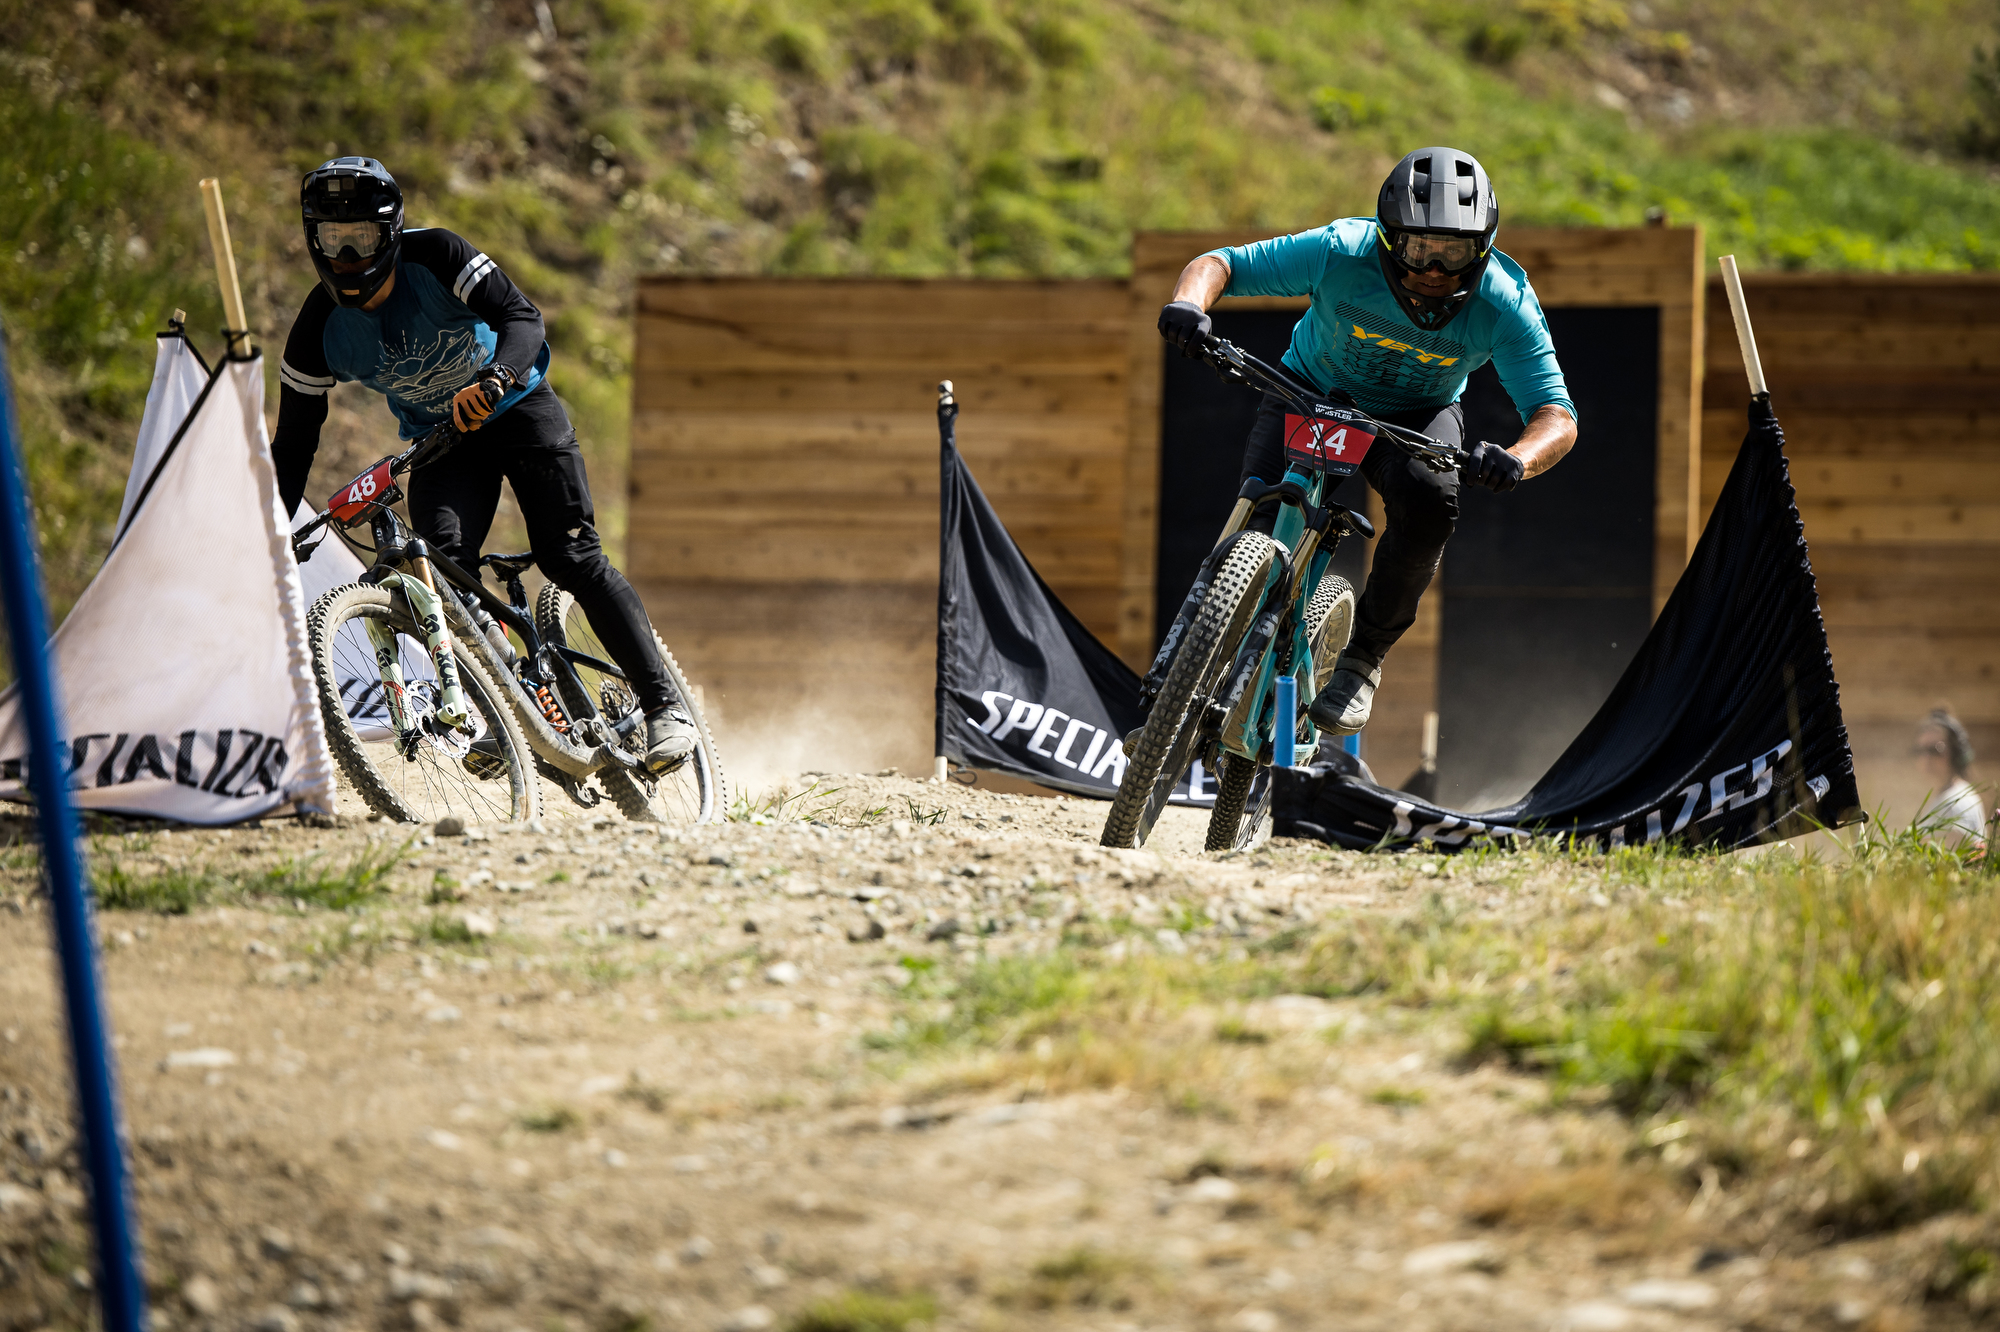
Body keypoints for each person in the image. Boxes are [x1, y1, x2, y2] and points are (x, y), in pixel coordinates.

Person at [272, 157, 696, 773]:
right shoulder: (316, 330)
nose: (345, 255)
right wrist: (271, 536)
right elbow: (293, 445)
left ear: (388, 232)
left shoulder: (439, 255)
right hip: (446, 441)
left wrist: (495, 379)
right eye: (330, 239)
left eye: (359, 237)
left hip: (519, 408)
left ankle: (664, 708)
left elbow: (522, 318)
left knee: (568, 555)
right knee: (441, 581)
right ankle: (514, 706)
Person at [1155, 146, 1577, 735]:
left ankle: (1361, 662)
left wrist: (1516, 459)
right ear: (1386, 238)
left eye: (1452, 252)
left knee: (1431, 504)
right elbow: (1219, 263)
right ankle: (1194, 660)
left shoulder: (1504, 304)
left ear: (1482, 249)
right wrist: (1187, 304)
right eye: (1416, 247)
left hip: (1414, 415)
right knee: (1260, 510)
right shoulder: (1338, 251)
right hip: (1309, 390)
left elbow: (1555, 414)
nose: (1433, 268)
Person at [1914, 707, 1987, 849]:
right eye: (1921, 750)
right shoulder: (1945, 796)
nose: (1926, 758)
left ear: (1955, 754)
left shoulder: (1958, 802)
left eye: (1936, 750)